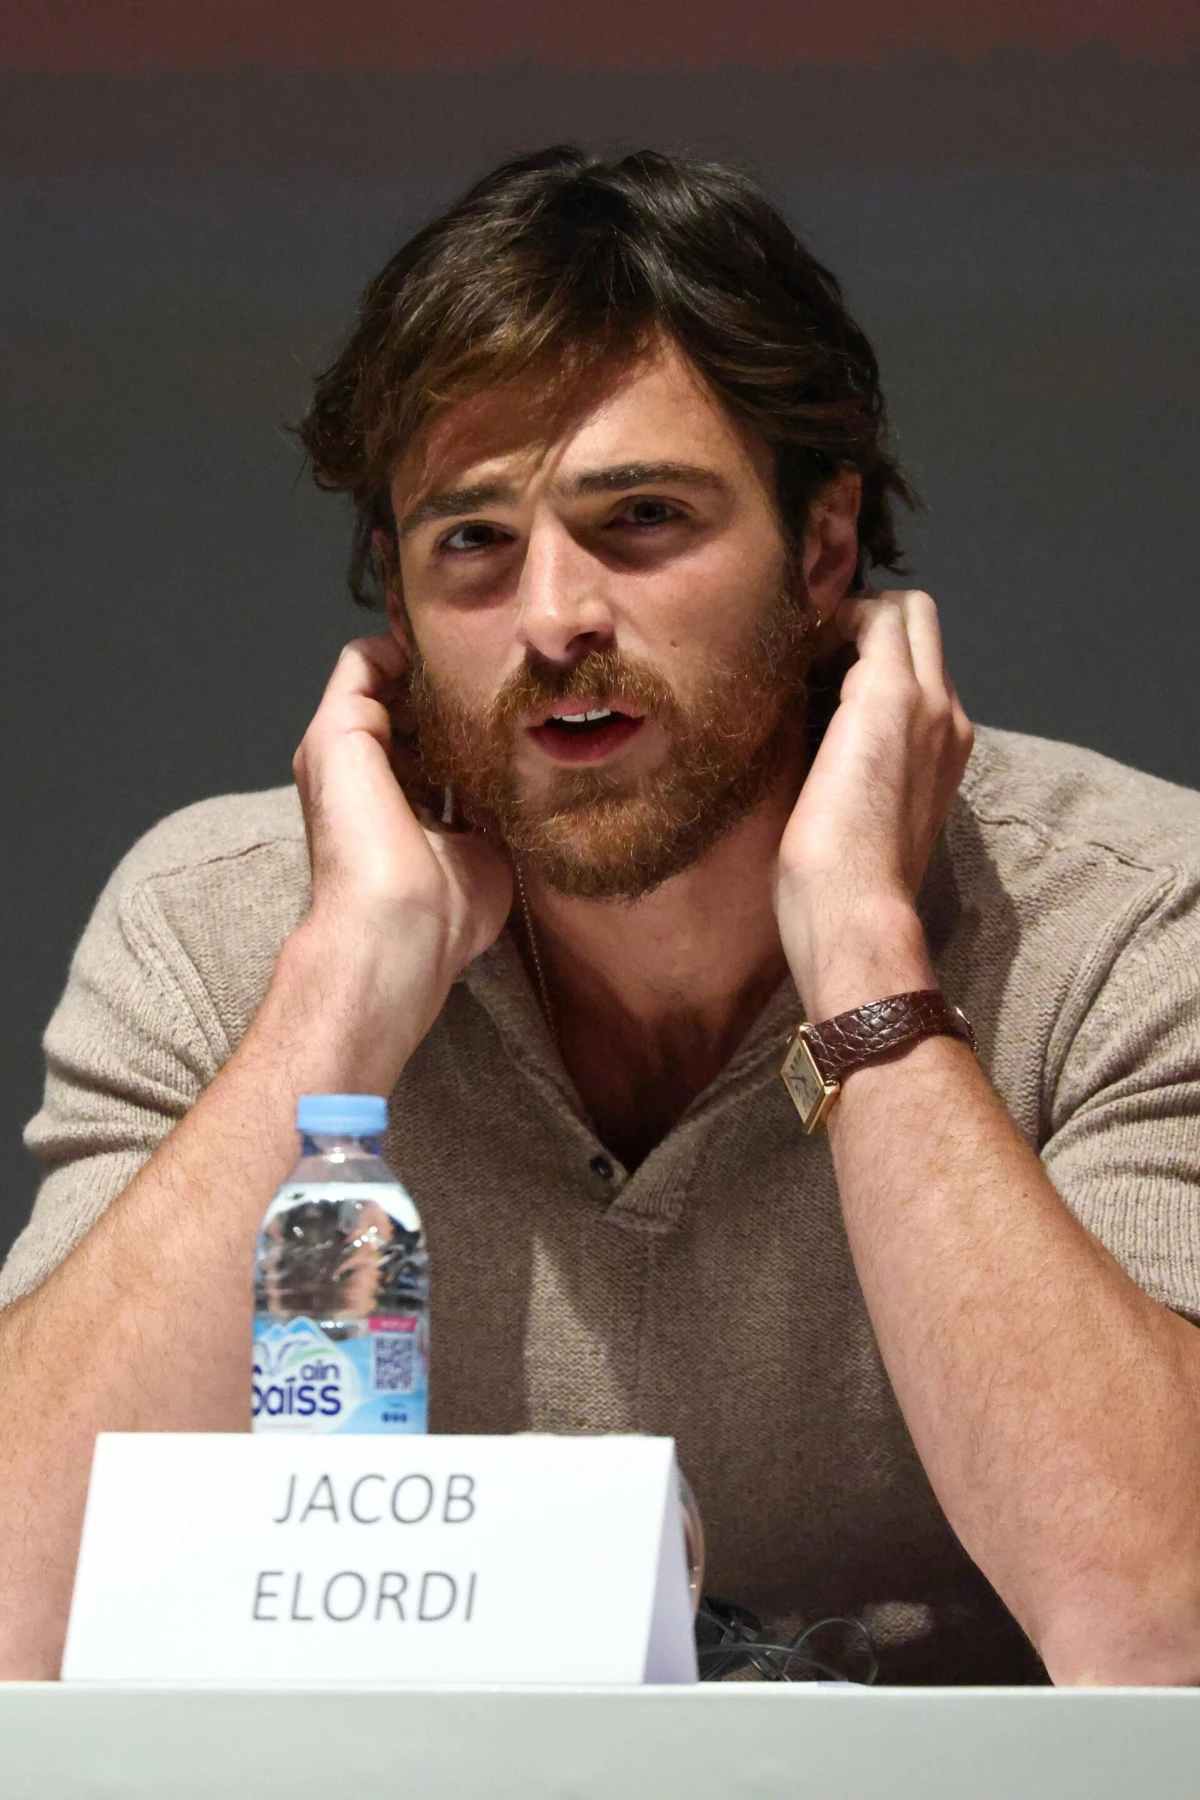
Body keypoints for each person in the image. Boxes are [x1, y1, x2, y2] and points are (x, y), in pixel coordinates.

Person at [4, 146, 1200, 1687]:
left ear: (823, 549)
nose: (556, 616)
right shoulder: (217, 935)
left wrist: (862, 957)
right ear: (395, 606)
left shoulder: (1123, 915)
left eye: (640, 516)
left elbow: (1164, 1628)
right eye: (472, 542)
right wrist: (339, 1001)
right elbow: (18, 1622)